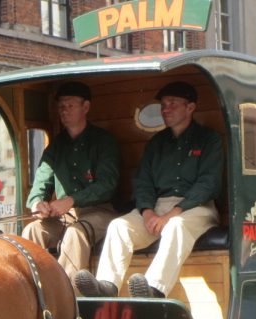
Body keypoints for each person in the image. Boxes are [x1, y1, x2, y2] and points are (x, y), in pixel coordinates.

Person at [75, 81, 222, 298]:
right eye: (163, 105)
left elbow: (208, 185)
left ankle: (154, 289)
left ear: (190, 107)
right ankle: (107, 285)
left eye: (172, 103)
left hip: (196, 208)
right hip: (157, 207)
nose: (166, 109)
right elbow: (142, 181)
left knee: (176, 226)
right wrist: (147, 211)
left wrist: (173, 213)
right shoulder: (156, 143)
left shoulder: (209, 140)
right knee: (118, 226)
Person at [21, 81, 119, 284]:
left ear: (86, 107)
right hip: (65, 216)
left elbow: (107, 185)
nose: (64, 111)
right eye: (61, 106)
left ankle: (66, 296)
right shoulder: (56, 146)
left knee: (76, 232)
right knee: (32, 230)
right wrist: (37, 202)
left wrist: (71, 200)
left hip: (101, 213)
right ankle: (34, 291)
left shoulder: (104, 141)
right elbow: (41, 183)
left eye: (70, 105)